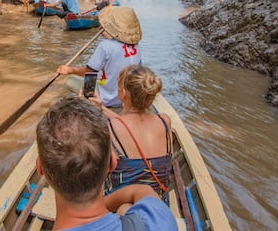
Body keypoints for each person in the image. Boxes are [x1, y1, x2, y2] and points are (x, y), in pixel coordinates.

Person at [36, 96, 178, 230]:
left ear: (40, 168)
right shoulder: (160, 220)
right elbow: (143, 190)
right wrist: (109, 204)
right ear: (112, 162)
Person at [97, 65, 172, 203]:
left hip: (119, 205)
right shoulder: (164, 121)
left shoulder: (110, 128)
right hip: (159, 203)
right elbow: (128, 126)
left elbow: (100, 170)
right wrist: (101, 108)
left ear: (123, 93)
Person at [56, 6, 142, 108]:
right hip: (125, 98)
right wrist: (108, 34)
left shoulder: (105, 45)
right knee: (100, 76)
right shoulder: (136, 46)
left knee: (71, 80)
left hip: (107, 99)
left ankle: (90, 103)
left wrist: (70, 70)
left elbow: (89, 71)